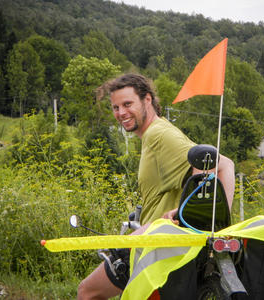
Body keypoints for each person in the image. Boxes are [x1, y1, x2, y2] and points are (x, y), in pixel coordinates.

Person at [77, 73, 235, 300]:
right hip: (156, 245)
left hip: (157, 247)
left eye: (127, 104)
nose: (121, 113)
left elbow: (223, 164)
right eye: (115, 107)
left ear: (147, 100)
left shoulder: (158, 134)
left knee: (87, 291)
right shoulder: (153, 135)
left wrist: (205, 218)